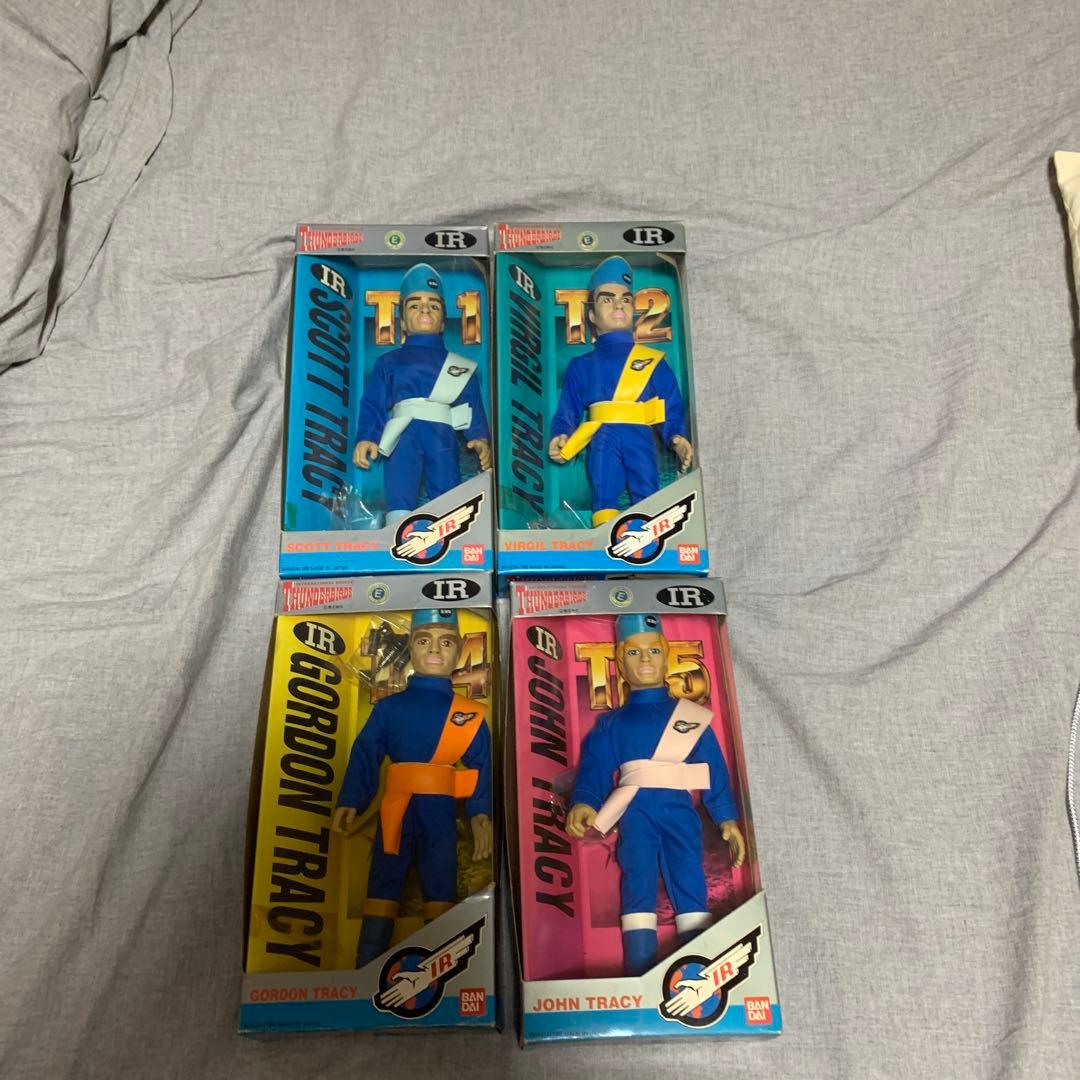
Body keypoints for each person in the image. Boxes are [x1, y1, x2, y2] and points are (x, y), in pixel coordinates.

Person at [566, 613, 745, 975]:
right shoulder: (612, 723)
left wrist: (726, 817)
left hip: (680, 811)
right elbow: (595, 767)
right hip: (635, 815)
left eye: (653, 651)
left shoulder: (689, 716)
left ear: (666, 658)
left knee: (689, 877)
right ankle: (639, 970)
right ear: (620, 663)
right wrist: (584, 799)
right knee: (637, 881)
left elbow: (713, 768)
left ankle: (697, 968)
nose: (645, 659)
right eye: (634, 653)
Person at [332, 609, 493, 966]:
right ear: (410, 648)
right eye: (424, 640)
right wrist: (352, 798)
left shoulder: (468, 713)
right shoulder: (389, 709)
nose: (434, 649)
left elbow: (483, 765)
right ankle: (366, 966)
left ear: (459, 651)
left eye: (446, 642)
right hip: (396, 811)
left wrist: (480, 813)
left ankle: (443, 968)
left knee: (441, 883)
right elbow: (366, 752)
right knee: (383, 884)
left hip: (440, 814)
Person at [548, 256, 694, 526]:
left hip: (640, 434)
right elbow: (568, 408)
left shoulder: (652, 360)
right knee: (603, 492)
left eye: (625, 300)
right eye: (607, 299)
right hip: (602, 436)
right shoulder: (581, 364)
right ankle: (604, 539)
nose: (618, 305)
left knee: (646, 489)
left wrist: (677, 436)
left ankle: (650, 539)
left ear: (633, 309)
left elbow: (670, 404)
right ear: (592, 315)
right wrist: (561, 433)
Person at [354, 264, 490, 525]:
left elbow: (471, 403)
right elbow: (373, 402)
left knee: (446, 482)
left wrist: (479, 438)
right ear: (403, 321)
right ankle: (397, 531)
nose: (425, 310)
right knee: (400, 483)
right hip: (402, 432)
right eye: (415, 305)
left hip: (442, 432)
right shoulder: (388, 362)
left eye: (434, 306)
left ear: (443, 321)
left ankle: (450, 529)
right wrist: (367, 436)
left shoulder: (458, 366)